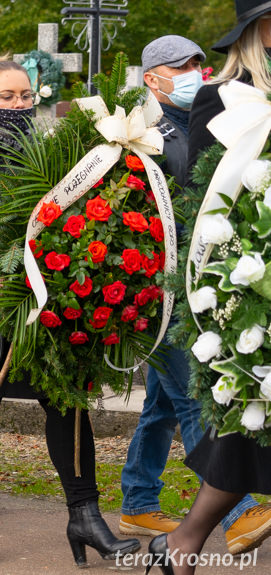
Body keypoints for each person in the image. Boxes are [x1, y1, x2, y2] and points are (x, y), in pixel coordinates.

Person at [0, 58, 141, 567]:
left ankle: (84, 516)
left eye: (26, 97)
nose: (20, 106)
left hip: (45, 308)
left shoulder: (49, 153)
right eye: (8, 97)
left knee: (67, 405)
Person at [119, 34, 271, 554]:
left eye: (198, 64)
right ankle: (242, 511)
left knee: (162, 402)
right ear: (151, 78)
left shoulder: (212, 114)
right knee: (194, 397)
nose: (193, 73)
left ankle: (138, 502)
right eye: (180, 67)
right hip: (163, 285)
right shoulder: (138, 132)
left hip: (194, 275)